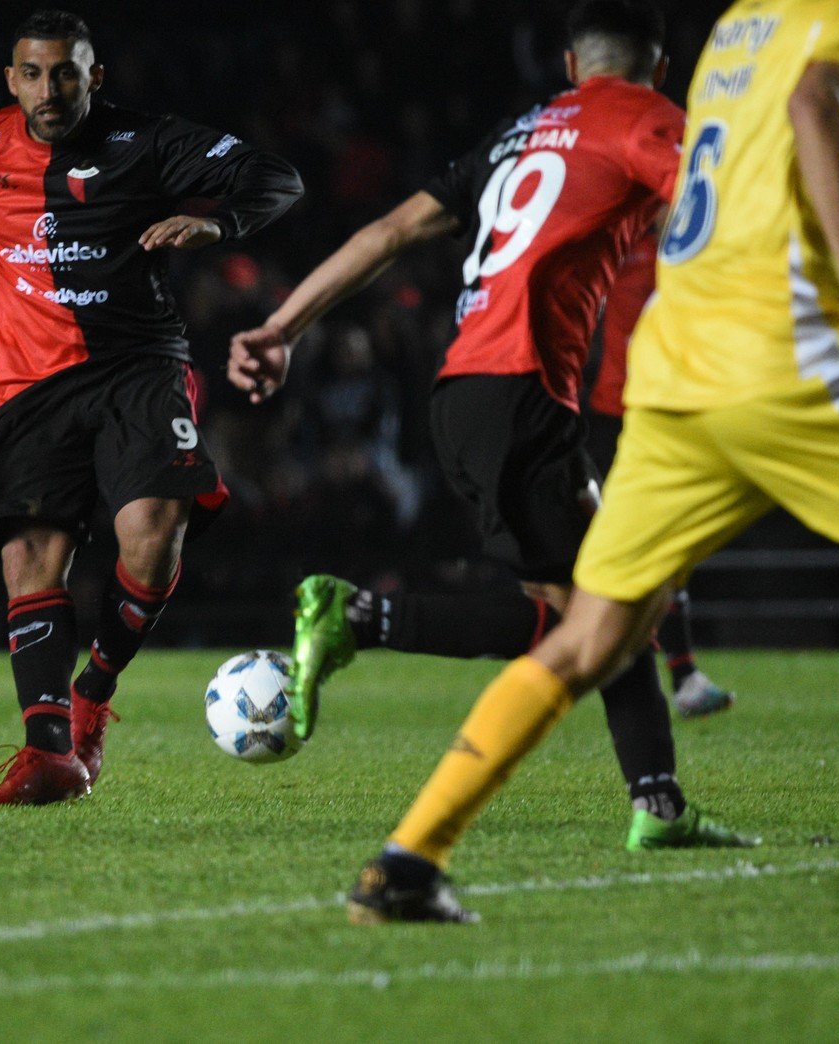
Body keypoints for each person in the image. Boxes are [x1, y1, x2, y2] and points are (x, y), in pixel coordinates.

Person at [322, 0, 839, 924]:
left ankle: (407, 861)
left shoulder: (738, 26)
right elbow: (813, 104)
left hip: (672, 372)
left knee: (587, 639)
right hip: (777, 357)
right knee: (577, 624)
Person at [230, 0, 756, 922]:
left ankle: (658, 806)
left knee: (610, 596)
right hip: (521, 394)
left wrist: (281, 325)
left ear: (566, 60)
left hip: (469, 390)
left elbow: (387, 232)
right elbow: (720, 207)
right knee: (591, 614)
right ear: (660, 65)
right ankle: (361, 617)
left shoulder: (518, 134)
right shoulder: (643, 116)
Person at [0, 10, 302, 807]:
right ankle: (47, 752)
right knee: (28, 560)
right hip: (30, 385)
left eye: (66, 73)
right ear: (11, 80)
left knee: (150, 537)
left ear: (95, 77)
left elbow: (276, 178)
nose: (50, 89)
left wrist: (214, 221)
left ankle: (92, 696)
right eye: (34, 73)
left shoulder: (147, 141)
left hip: (138, 368)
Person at [586, 229, 733, 718]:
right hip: (614, 413)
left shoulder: (689, 245)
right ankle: (656, 671)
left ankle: (677, 674)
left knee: (660, 547)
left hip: (661, 408)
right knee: (624, 551)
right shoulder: (622, 241)